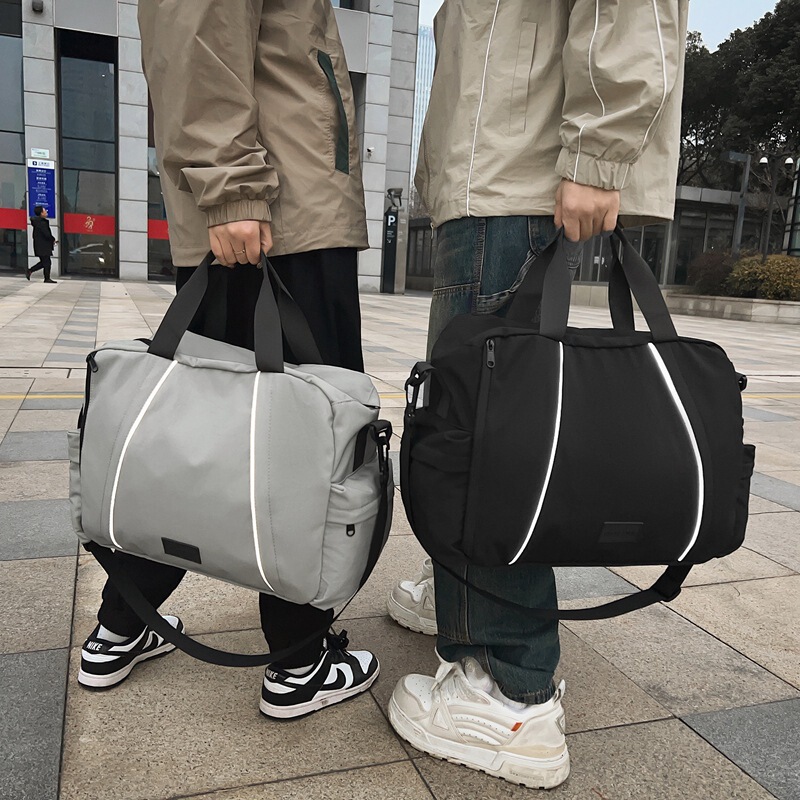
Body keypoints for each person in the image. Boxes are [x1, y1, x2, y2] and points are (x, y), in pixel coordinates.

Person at [387, 0, 689, 789]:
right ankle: (469, 600)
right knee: (475, 422)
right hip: (493, 173)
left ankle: (509, 687)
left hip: (514, 172)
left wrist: (599, 151)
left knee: (488, 441)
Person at [77, 0, 379, 719]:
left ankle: (123, 624)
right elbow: (198, 25)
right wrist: (232, 186)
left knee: (191, 429)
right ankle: (299, 662)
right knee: (305, 440)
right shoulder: (249, 194)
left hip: (258, 200)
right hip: (277, 206)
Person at [27, 206, 57, 283]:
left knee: (45, 262)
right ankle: (46, 278)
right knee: (47, 262)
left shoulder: (38, 222)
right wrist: (52, 239)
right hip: (43, 246)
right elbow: (47, 234)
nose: (46, 211)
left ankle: (30, 271)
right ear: (41, 213)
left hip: (40, 246)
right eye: (44, 211)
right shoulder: (42, 223)